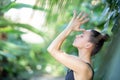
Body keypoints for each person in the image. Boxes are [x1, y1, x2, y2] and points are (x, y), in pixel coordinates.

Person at [47, 10, 109, 80]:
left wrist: (70, 28)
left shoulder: (84, 68)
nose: (77, 36)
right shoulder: (78, 61)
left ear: (88, 45)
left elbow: (52, 49)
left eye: (82, 36)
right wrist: (70, 27)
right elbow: (56, 50)